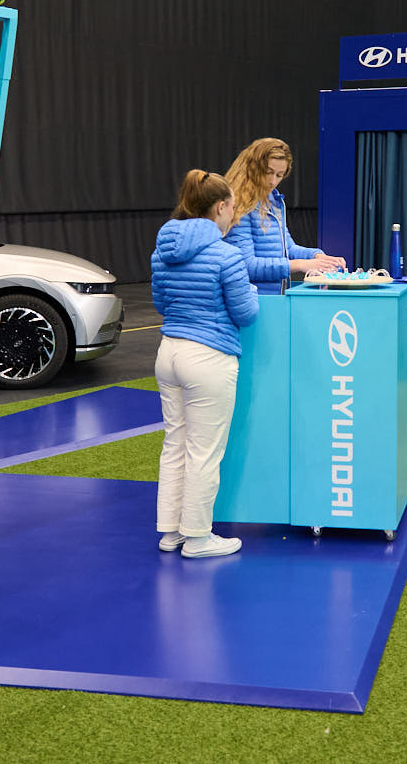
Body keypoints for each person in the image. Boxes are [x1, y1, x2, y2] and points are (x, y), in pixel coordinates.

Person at [150, 170, 260, 557]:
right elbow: (246, 314)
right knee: (204, 451)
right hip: (209, 357)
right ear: (221, 207)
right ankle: (197, 537)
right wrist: (248, 289)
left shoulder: (162, 250)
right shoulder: (226, 255)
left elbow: (161, 305)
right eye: (232, 207)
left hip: (170, 354)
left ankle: (170, 533)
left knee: (175, 444)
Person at [224, 137, 343, 292]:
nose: (273, 181)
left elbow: (288, 249)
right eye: (268, 172)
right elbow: (246, 265)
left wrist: (317, 257)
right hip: (249, 299)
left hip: (273, 298)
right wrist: (299, 265)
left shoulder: (274, 201)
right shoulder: (237, 204)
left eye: (279, 175)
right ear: (252, 167)